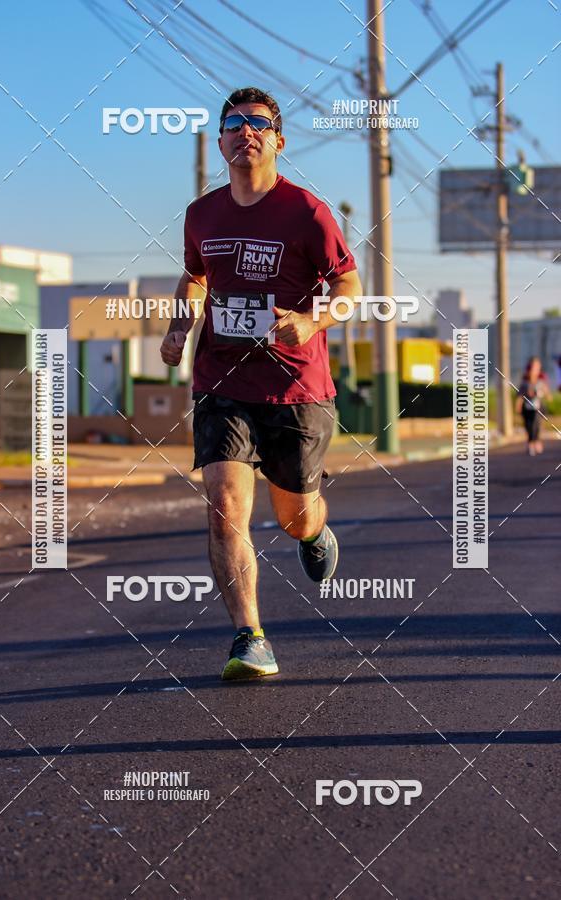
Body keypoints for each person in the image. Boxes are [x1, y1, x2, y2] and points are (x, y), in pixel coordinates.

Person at [160, 86, 362, 680]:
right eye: (232, 123)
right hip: (221, 379)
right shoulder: (203, 214)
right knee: (224, 506)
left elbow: (349, 290)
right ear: (220, 140)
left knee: (293, 516)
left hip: (297, 388)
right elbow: (195, 278)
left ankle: (316, 528)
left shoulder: (307, 212)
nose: (244, 130)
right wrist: (179, 328)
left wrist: (312, 318)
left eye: (257, 122)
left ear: (278, 140)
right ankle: (250, 637)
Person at [515, 356, 551, 455]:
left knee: (537, 424)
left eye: (538, 366)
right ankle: (530, 443)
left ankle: (536, 442)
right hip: (527, 408)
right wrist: (518, 406)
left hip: (537, 407)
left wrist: (545, 393)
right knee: (528, 425)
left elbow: (547, 394)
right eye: (534, 366)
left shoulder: (541, 379)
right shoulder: (525, 381)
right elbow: (520, 395)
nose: (536, 368)